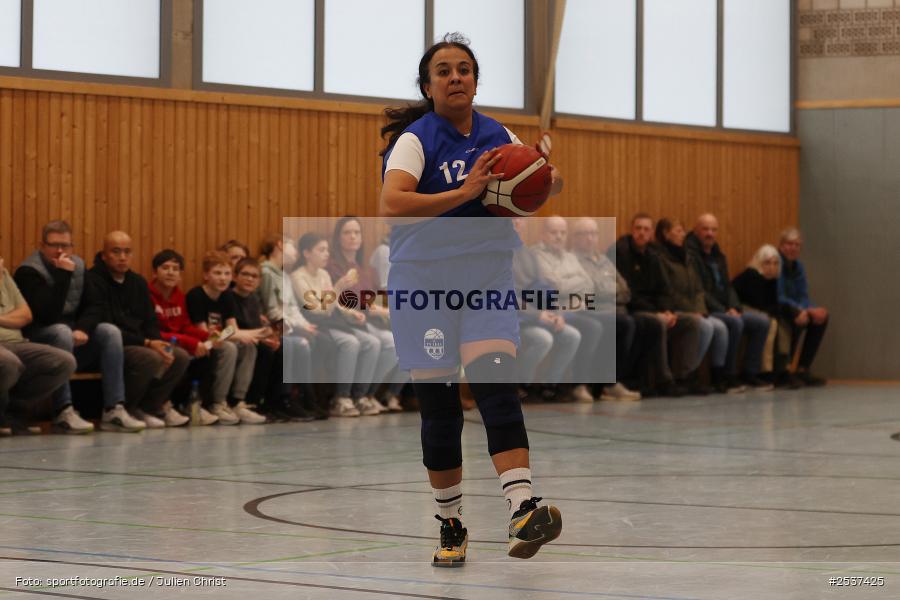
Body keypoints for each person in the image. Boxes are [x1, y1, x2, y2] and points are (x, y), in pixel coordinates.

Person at [379, 34, 563, 566]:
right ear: (428, 86)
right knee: (440, 411)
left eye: (464, 69)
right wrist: (464, 192)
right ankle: (451, 522)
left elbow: (543, 186)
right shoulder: (416, 140)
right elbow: (392, 202)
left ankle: (522, 508)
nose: (455, 76)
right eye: (444, 71)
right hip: (424, 284)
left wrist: (543, 174)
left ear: (476, 82)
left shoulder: (498, 135)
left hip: (486, 278)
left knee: (497, 390)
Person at [13, 220, 120, 433]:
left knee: (110, 332)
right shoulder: (28, 271)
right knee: (61, 331)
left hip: (74, 337)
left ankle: (114, 409)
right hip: (41, 339)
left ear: (72, 246)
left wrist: (83, 328)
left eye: (66, 245)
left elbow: (94, 305)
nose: (60, 251)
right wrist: (63, 275)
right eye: (54, 245)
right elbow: (46, 315)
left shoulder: (78, 266)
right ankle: (63, 410)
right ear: (42, 246)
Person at [78, 231, 190, 430]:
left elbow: (150, 320)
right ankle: (124, 409)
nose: (122, 257)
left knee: (179, 356)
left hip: (141, 342)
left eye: (127, 252)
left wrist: (159, 343)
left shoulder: (137, 282)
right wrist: (148, 343)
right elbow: (104, 326)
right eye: (116, 251)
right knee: (148, 358)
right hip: (109, 346)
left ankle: (149, 407)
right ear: (104, 255)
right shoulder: (93, 280)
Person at [291, 232, 382, 417]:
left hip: (333, 320)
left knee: (373, 342)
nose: (326, 254)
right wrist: (338, 287)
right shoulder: (298, 277)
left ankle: (360, 396)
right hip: (315, 323)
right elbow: (317, 309)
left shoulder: (324, 274)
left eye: (327, 250)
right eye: (321, 250)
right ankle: (341, 397)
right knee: (350, 343)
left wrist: (351, 312)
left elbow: (335, 304)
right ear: (307, 253)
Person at [327, 216, 406, 412]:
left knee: (395, 344)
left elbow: (377, 300)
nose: (353, 237)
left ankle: (366, 394)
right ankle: (351, 396)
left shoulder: (366, 270)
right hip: (344, 320)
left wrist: (386, 309)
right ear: (338, 238)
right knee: (380, 342)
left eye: (356, 232)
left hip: (368, 319)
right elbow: (334, 299)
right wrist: (370, 308)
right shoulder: (332, 266)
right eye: (347, 232)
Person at [611, 214, 696, 397]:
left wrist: (667, 310)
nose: (641, 233)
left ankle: (684, 376)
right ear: (631, 230)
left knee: (692, 322)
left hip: (655, 309)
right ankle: (664, 380)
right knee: (656, 323)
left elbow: (665, 289)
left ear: (651, 234)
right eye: (638, 228)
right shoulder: (620, 253)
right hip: (634, 309)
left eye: (646, 229)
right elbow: (628, 294)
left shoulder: (654, 255)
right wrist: (657, 313)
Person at [685, 214, 770, 391]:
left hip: (725, 308)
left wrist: (735, 307)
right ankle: (728, 374)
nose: (710, 233)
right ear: (696, 231)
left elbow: (728, 286)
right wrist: (724, 310)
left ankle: (750, 372)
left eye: (713, 230)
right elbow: (700, 291)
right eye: (705, 229)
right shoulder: (690, 255)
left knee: (762, 322)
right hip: (707, 308)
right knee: (735, 322)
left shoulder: (719, 256)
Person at [531, 216, 605, 403]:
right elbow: (554, 286)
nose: (559, 237)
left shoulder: (570, 257)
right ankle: (576, 384)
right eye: (554, 232)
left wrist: (566, 283)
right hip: (554, 310)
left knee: (614, 322)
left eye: (563, 233)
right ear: (543, 234)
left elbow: (589, 284)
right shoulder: (536, 256)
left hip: (576, 307)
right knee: (593, 327)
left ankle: (600, 385)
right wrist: (574, 282)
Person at [0, 255, 76, 435]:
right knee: (9, 362)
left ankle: (13, 412)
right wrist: (11, 319)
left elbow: (26, 316)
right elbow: (18, 317)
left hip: (16, 342)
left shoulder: (4, 275)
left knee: (64, 362)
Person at [186, 251, 265, 424]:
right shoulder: (196, 295)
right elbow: (205, 334)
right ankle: (218, 402)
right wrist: (257, 333)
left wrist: (257, 334)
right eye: (217, 273)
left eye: (227, 273)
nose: (223, 278)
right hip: (201, 342)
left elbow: (232, 330)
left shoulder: (227, 296)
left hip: (218, 339)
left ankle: (237, 402)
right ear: (206, 275)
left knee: (248, 345)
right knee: (230, 347)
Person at [510, 217, 581, 402]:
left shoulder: (527, 253)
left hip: (536, 316)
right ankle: (521, 386)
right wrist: (537, 314)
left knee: (572, 335)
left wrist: (557, 313)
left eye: (519, 220)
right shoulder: (495, 254)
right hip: (511, 319)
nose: (515, 223)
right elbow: (504, 296)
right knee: (542, 339)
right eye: (510, 219)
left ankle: (550, 387)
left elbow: (543, 287)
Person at [570, 217, 641, 400]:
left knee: (645, 324)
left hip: (614, 310)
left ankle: (614, 382)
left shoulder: (603, 260)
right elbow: (592, 291)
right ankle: (605, 383)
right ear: (575, 237)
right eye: (585, 234)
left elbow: (626, 290)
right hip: (592, 311)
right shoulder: (573, 260)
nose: (590, 238)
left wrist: (609, 293)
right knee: (622, 324)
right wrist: (612, 292)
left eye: (593, 234)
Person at [257, 234, 326, 421]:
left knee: (306, 341)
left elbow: (293, 308)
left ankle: (305, 396)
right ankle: (283, 398)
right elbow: (272, 310)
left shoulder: (285, 276)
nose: (295, 252)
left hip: (288, 326)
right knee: (295, 343)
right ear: (280, 245)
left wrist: (305, 325)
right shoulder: (266, 272)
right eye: (292, 246)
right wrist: (294, 327)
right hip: (272, 329)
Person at [148, 249, 218, 425]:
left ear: (180, 275)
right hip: (154, 341)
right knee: (179, 354)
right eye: (165, 268)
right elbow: (153, 331)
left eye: (175, 269)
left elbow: (185, 326)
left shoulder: (180, 296)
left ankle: (192, 404)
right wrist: (192, 343)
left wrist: (206, 335)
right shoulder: (147, 295)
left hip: (176, 341)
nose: (171, 272)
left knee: (208, 353)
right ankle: (162, 405)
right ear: (155, 272)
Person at [654, 218, 718, 394]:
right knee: (702, 325)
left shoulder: (687, 257)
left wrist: (700, 310)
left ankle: (688, 373)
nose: (683, 234)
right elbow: (669, 290)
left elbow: (698, 289)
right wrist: (691, 311)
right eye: (678, 230)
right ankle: (683, 375)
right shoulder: (660, 257)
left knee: (710, 326)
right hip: (674, 307)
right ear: (666, 234)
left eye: (683, 230)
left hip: (692, 308)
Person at [732, 245, 791, 389]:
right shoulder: (752, 275)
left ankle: (780, 369)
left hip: (757, 310)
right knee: (769, 322)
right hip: (740, 308)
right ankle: (762, 370)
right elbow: (759, 303)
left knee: (783, 324)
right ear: (759, 262)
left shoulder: (771, 280)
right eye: (767, 263)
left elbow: (772, 304)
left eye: (775, 263)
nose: (772, 267)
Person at [778, 228, 828, 386]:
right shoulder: (776, 263)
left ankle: (802, 369)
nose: (793, 248)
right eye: (789, 244)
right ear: (781, 246)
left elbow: (803, 295)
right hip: (778, 306)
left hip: (796, 306)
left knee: (821, 318)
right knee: (798, 318)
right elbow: (779, 295)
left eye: (797, 245)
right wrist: (801, 310)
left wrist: (813, 309)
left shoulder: (798, 266)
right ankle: (785, 370)